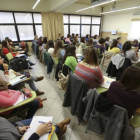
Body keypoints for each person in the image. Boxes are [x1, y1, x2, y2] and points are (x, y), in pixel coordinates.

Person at [0, 117, 71, 140]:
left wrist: (18, 128)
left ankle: (57, 128)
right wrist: (37, 133)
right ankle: (58, 128)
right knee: (46, 129)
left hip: (16, 131)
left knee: (40, 122)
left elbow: (7, 124)